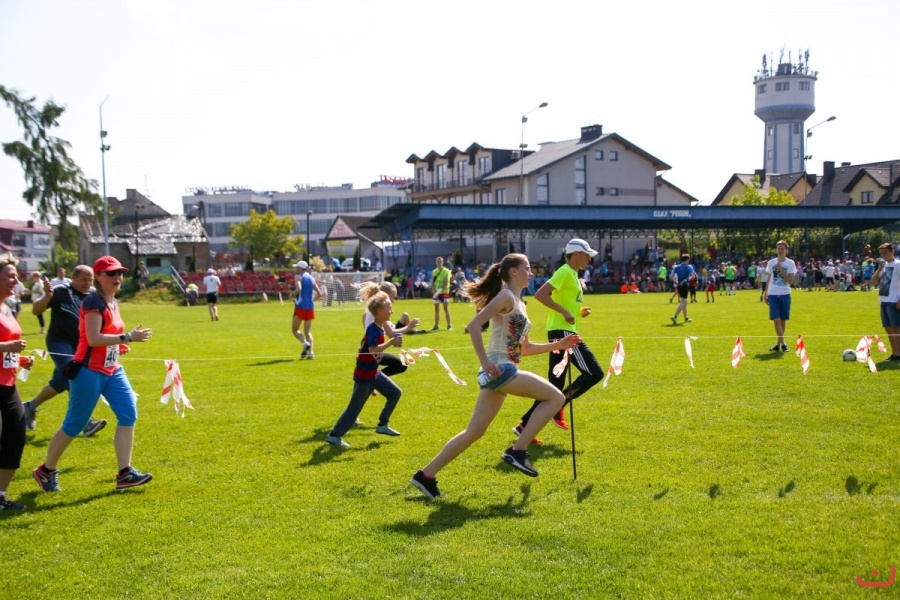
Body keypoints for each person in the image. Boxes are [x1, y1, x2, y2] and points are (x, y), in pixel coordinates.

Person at [410, 253, 581, 499]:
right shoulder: (505, 296)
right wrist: (485, 362)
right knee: (556, 398)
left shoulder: (521, 304)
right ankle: (518, 450)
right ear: (513, 272)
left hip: (500, 372)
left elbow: (525, 349)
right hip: (501, 369)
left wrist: (559, 345)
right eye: (527, 268)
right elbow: (474, 325)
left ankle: (425, 476)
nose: (531, 273)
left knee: (474, 431)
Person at [33, 255, 154, 493]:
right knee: (75, 424)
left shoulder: (113, 301)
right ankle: (46, 470)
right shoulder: (92, 301)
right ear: (99, 277)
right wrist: (127, 337)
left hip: (112, 368)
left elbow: (107, 337)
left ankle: (125, 473)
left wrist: (119, 345)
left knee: (128, 413)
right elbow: (93, 338)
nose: (118, 277)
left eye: (120, 272)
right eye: (111, 273)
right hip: (88, 370)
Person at [517, 239, 604, 437]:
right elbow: (541, 294)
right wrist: (564, 312)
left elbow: (565, 301)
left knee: (555, 384)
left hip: (563, 330)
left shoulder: (573, 274)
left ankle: (524, 426)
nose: (589, 259)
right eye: (586, 255)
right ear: (576, 254)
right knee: (594, 373)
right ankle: (557, 406)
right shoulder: (565, 271)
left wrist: (578, 311)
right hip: (564, 333)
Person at [23, 265, 107, 436]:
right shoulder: (61, 291)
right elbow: (36, 310)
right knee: (73, 374)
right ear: (73, 278)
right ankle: (86, 422)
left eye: (90, 279)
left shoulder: (94, 295)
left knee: (60, 381)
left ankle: (30, 406)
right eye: (83, 279)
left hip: (82, 345)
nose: (87, 283)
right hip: (59, 342)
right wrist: (47, 296)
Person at [325, 291, 404, 448]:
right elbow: (373, 350)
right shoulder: (373, 329)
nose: (392, 311)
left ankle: (382, 425)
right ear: (380, 311)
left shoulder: (380, 328)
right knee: (354, 409)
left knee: (395, 393)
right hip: (365, 376)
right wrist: (391, 343)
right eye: (389, 308)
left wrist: (393, 342)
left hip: (374, 373)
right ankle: (334, 436)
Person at [0, 254, 35, 510]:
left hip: (7, 383)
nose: (16, 280)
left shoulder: (6, 307)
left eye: (16, 276)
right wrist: (6, 347)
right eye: (10, 276)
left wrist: (19, 359)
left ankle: (0, 494)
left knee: (15, 436)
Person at [357, 281, 421, 379]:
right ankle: (376, 380)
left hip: (370, 350)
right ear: (384, 296)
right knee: (400, 365)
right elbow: (391, 333)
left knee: (400, 365)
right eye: (392, 298)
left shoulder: (372, 310)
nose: (393, 301)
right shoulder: (378, 313)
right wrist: (409, 327)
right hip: (371, 351)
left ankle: (375, 380)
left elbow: (365, 319)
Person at [764, 240, 797, 352]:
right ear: (776, 250)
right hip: (773, 294)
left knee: (783, 320)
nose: (780, 250)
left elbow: (790, 281)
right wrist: (766, 292)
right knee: (776, 319)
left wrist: (781, 269)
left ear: (786, 250)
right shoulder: (771, 262)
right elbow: (769, 278)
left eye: (782, 248)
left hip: (785, 294)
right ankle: (783, 343)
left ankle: (778, 344)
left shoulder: (790, 263)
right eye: (779, 248)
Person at [870, 242, 900, 361]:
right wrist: (879, 269)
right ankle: (895, 353)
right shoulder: (884, 266)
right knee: (888, 328)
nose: (883, 255)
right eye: (881, 253)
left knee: (896, 329)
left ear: (892, 251)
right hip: (884, 300)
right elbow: (872, 282)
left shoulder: (898, 265)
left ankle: (898, 354)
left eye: (885, 253)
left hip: (894, 301)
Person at [292, 260, 322, 360]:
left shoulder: (298, 276)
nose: (296, 269)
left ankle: (305, 343)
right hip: (310, 307)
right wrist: (311, 301)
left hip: (300, 306)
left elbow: (299, 289)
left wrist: (293, 294)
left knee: (295, 330)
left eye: (297, 267)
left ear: (300, 268)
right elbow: (319, 294)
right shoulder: (311, 278)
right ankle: (311, 353)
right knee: (308, 332)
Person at [670, 253, 696, 325]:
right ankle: (675, 316)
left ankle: (686, 318)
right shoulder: (689, 267)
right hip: (684, 284)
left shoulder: (676, 267)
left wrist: (676, 281)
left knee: (684, 302)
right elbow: (693, 276)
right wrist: (687, 279)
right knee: (683, 302)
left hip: (679, 284)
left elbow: (671, 276)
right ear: (687, 259)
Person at [429, 256, 452, 331]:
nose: (439, 263)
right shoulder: (434, 271)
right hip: (436, 292)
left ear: (442, 262)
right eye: (438, 261)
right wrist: (434, 291)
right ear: (436, 262)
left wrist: (438, 291)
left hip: (444, 292)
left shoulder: (446, 271)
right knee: (436, 309)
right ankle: (436, 325)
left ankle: (449, 325)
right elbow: (432, 282)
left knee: (446, 308)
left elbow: (446, 282)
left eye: (440, 261)